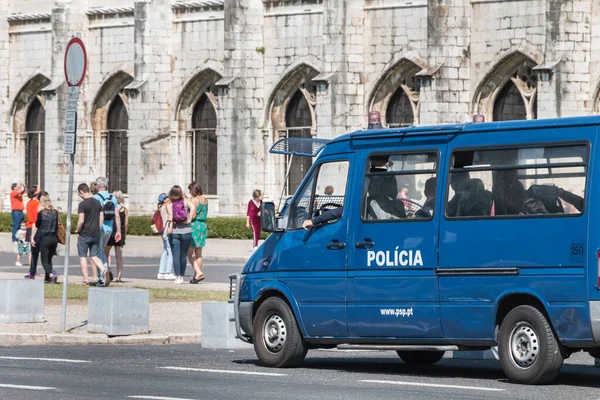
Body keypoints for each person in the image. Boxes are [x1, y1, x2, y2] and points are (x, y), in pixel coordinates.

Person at [92, 177, 121, 286]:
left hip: (100, 228)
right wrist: (118, 231)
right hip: (109, 228)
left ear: (97, 185)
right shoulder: (112, 198)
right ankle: (105, 271)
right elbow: (117, 215)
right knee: (101, 251)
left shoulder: (95, 197)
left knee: (98, 252)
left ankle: (103, 274)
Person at [74, 183, 105, 286]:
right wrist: (98, 229)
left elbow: (81, 220)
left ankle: (86, 280)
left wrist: (77, 230)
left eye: (79, 194)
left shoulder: (82, 204)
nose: (80, 196)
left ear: (81, 192)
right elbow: (101, 218)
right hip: (95, 233)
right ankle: (104, 271)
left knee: (83, 256)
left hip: (84, 234)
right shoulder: (97, 203)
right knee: (94, 255)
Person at [166, 185, 196, 284]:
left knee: (175, 255)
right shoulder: (186, 202)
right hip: (187, 231)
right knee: (183, 255)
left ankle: (178, 276)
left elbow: (170, 216)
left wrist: (170, 227)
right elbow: (193, 208)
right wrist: (189, 219)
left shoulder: (169, 204)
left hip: (175, 231)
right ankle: (182, 276)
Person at [30, 194, 59, 284]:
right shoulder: (55, 212)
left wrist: (32, 238)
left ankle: (51, 275)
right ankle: (48, 278)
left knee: (44, 261)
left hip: (45, 238)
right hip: (54, 239)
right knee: (49, 259)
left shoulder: (41, 213)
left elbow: (37, 225)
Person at [105, 190, 128, 282]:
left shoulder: (111, 208)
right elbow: (126, 224)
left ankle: (108, 270)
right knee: (119, 257)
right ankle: (119, 276)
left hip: (111, 232)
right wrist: (124, 233)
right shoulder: (125, 210)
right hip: (120, 233)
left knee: (106, 253)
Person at [188, 182, 208, 283]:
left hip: (194, 226)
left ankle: (198, 272)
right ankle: (196, 276)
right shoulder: (205, 200)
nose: (189, 192)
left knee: (190, 252)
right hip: (203, 225)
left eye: (190, 190)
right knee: (199, 253)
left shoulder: (194, 200)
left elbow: (193, 215)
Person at [156, 193, 176, 280]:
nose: (169, 198)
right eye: (167, 197)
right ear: (164, 200)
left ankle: (161, 272)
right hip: (167, 230)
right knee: (170, 251)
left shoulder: (160, 207)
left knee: (165, 251)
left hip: (162, 231)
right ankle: (168, 272)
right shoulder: (167, 206)